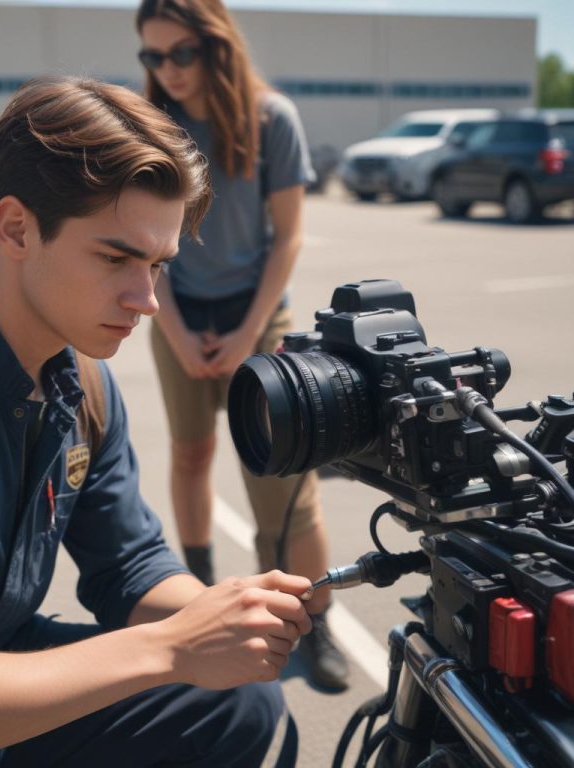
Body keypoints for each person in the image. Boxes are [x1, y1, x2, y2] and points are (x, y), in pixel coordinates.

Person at [0, 75, 316, 768]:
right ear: (17, 228)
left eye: (157, 264)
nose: (145, 299)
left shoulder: (79, 379)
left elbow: (130, 568)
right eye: (115, 257)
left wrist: (225, 620)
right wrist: (169, 647)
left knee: (239, 702)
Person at [135, 0, 349, 689]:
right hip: (176, 310)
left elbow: (286, 238)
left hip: (258, 315)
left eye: (179, 54)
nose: (165, 71)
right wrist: (176, 331)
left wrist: (246, 335)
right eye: (151, 56)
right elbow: (144, 245)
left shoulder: (270, 119)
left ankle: (313, 620)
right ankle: (195, 595)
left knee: (285, 483)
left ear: (216, 48)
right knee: (192, 454)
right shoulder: (151, 125)